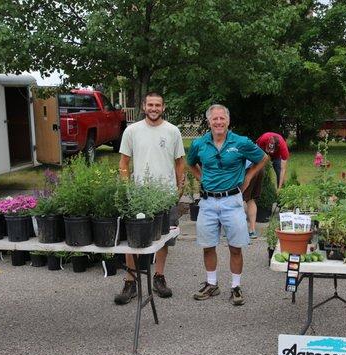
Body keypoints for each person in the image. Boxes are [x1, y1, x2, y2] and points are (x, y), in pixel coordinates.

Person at [187, 104, 268, 306]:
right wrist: (201, 177)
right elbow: (190, 163)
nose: (218, 122)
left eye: (222, 118)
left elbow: (263, 158)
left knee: (235, 247)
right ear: (209, 122)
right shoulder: (200, 143)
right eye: (214, 119)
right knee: (207, 246)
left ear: (228, 121)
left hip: (232, 201)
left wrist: (248, 176)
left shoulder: (240, 142)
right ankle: (211, 284)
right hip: (207, 202)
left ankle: (235, 286)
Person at [114, 92, 185, 305]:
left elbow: (180, 163)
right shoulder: (132, 131)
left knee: (163, 238)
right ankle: (131, 282)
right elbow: (124, 163)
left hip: (165, 195)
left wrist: (178, 189)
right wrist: (128, 189)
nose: (154, 108)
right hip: (139, 196)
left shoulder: (173, 131)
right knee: (133, 240)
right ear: (144, 107)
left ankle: (159, 277)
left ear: (163, 108)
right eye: (150, 105)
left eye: (158, 105)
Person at [242, 160, 264, 239]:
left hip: (248, 169)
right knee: (250, 199)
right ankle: (252, 230)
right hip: (259, 167)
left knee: (236, 198)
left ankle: (237, 230)